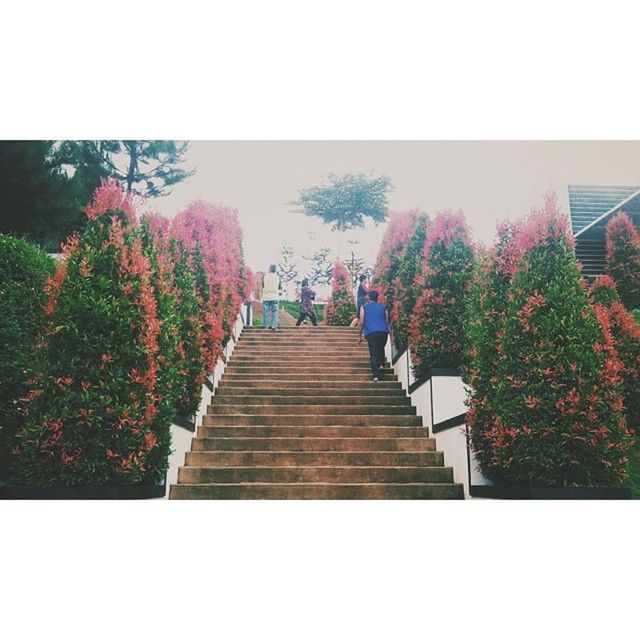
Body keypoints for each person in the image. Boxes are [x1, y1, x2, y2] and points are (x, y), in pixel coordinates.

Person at [358, 290, 390, 381]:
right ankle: (381, 365)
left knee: (374, 354)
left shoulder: (364, 307)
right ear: (377, 297)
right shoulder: (383, 307)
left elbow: (362, 322)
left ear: (369, 297)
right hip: (383, 332)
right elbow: (387, 322)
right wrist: (391, 337)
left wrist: (359, 335)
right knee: (381, 348)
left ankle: (376, 375)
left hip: (371, 332)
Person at [262, 264, 281, 330]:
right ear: (275, 270)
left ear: (269, 269)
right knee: (275, 311)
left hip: (266, 296)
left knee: (266, 312)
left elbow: (263, 285)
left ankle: (266, 326)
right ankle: (274, 325)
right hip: (275, 296)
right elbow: (279, 287)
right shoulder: (277, 277)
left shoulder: (265, 276)